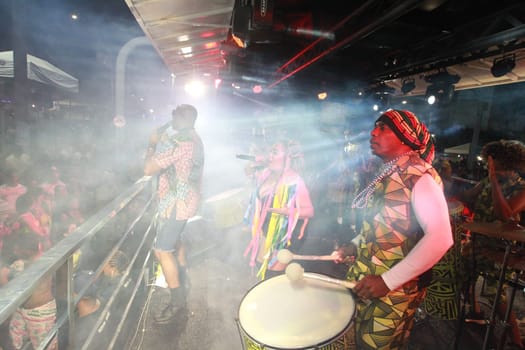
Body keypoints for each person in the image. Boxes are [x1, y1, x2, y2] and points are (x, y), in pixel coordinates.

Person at [331, 109, 453, 349]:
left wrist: (387, 281)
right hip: (367, 282)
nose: (373, 132)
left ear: (405, 137)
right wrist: (355, 244)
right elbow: (384, 224)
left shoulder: (420, 175)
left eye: (383, 128)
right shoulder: (391, 171)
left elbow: (441, 238)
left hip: (393, 293)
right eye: (375, 126)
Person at [459, 139, 525, 349]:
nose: (488, 165)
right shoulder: (487, 182)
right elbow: (468, 196)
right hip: (478, 242)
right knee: (464, 276)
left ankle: (515, 341)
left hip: (502, 250)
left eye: (491, 161)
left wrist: (494, 179)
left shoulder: (522, 187)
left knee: (496, 294)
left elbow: (504, 213)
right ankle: (476, 313)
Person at [144, 104, 204, 319]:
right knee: (174, 242)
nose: (171, 120)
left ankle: (178, 303)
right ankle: (183, 277)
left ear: (181, 119)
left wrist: (151, 145)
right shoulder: (193, 138)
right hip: (184, 201)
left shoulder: (182, 142)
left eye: (173, 117)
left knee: (161, 250)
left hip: (177, 204)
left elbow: (148, 168)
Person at [244, 139, 314, 280]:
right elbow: (249, 173)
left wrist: (287, 211)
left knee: (273, 274)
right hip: (266, 233)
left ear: (287, 158)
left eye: (274, 152)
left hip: (284, 237)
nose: (270, 155)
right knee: (261, 266)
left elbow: (309, 211)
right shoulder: (266, 174)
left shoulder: (294, 181)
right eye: (270, 151)